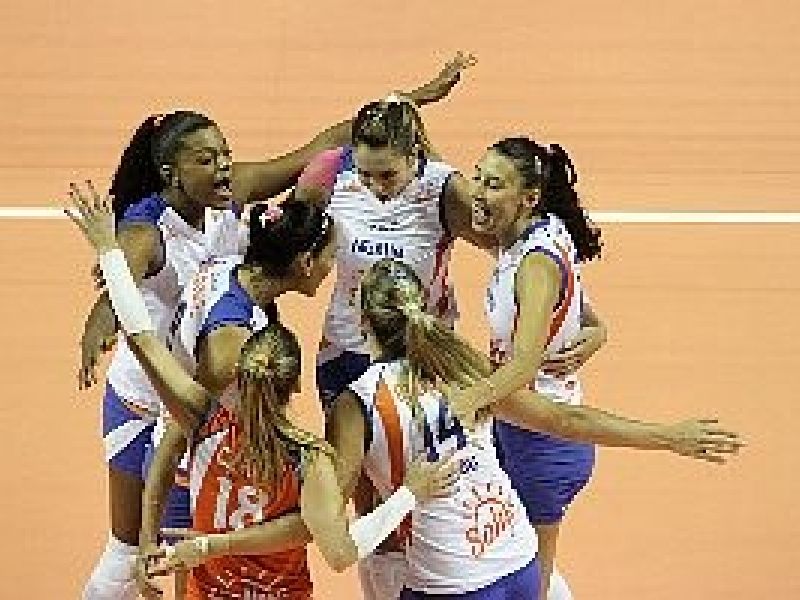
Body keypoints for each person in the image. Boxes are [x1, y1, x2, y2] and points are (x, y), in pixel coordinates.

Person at [76, 53, 475, 599]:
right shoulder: (223, 334)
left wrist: (406, 103)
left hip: (184, 411)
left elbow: (325, 145)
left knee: (177, 558)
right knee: (134, 556)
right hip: (149, 405)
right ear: (306, 264)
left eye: (224, 153)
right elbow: (153, 360)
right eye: (207, 159)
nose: (223, 165)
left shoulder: (232, 242)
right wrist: (104, 300)